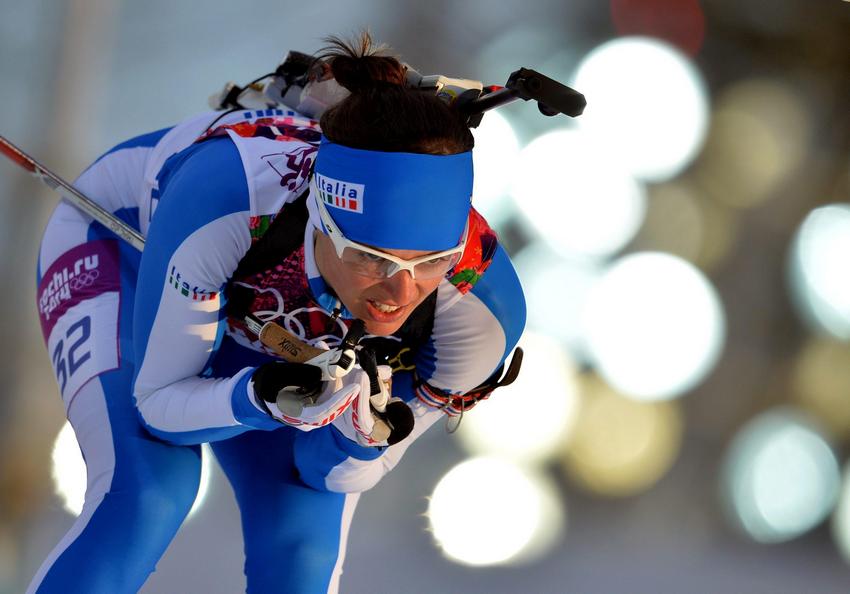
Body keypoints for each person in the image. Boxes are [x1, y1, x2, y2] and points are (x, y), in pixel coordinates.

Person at [28, 32, 525, 594]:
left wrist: (359, 434)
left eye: (431, 262)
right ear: (320, 218)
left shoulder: (483, 316)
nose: (399, 290)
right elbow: (160, 405)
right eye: (369, 257)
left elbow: (329, 476)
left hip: (264, 315)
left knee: (300, 554)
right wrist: (257, 397)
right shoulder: (228, 199)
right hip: (131, 249)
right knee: (148, 493)